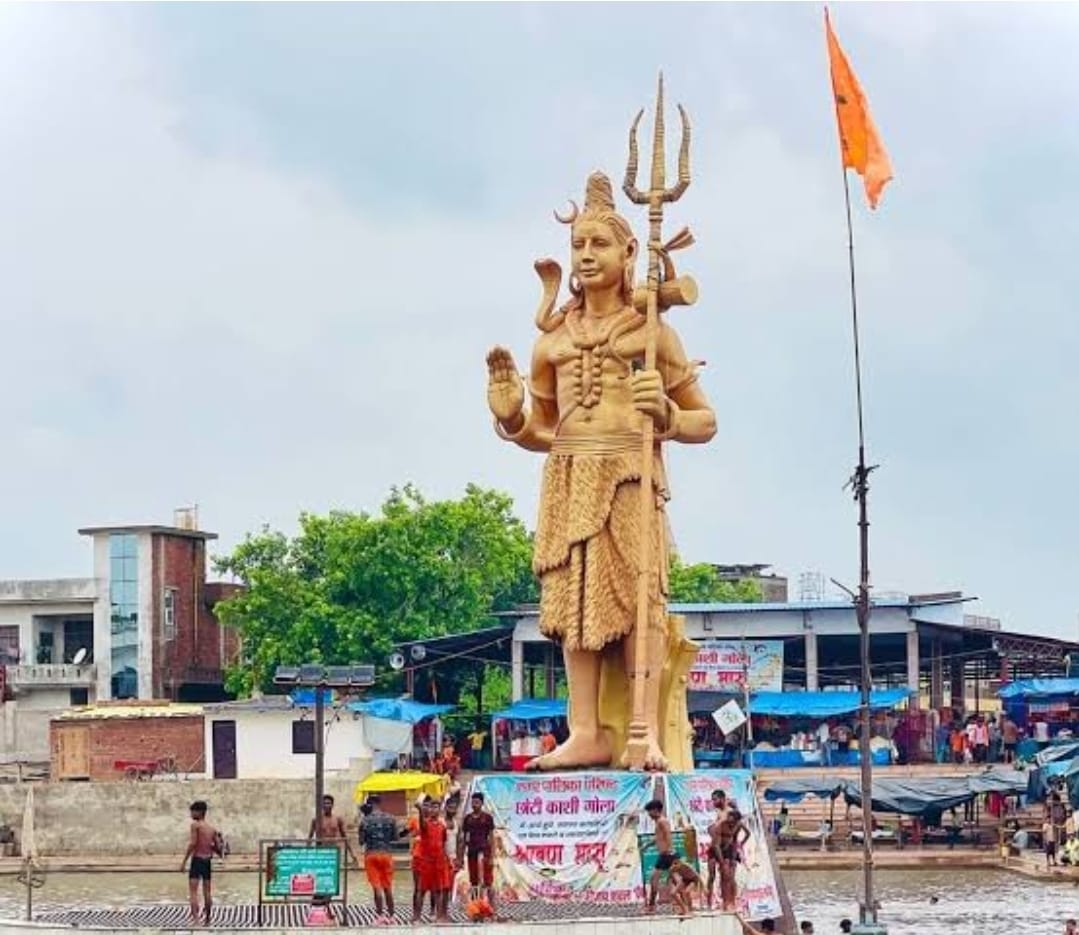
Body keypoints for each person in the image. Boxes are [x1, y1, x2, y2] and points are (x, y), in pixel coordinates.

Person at [486, 169, 717, 772]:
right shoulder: (552, 343)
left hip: (630, 475)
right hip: (569, 475)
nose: (586, 255)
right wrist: (512, 420)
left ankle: (644, 731)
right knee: (571, 607)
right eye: (578, 245)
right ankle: (585, 730)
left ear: (629, 251)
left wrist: (667, 414)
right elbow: (544, 430)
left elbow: (706, 421)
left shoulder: (652, 334)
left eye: (599, 244)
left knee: (641, 598)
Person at [359, 794, 399, 921]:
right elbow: (395, 838)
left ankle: (380, 916)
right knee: (387, 887)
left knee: (376, 887)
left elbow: (361, 841)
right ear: (379, 803)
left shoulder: (365, 820)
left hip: (371, 855)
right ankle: (392, 915)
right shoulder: (391, 818)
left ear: (369, 804)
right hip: (386, 854)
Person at [180, 800, 218, 925]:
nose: (191, 814)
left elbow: (193, 843)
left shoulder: (195, 826)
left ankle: (196, 920)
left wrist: (184, 861)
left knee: (193, 892)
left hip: (197, 860)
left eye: (193, 811)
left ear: (200, 812)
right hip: (207, 861)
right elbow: (216, 847)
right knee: (207, 891)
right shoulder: (211, 829)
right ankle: (207, 920)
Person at [459, 791, 496, 912]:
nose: (475, 804)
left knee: (488, 881)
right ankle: (476, 908)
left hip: (485, 853)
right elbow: (464, 839)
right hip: (472, 853)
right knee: (474, 881)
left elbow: (491, 838)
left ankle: (492, 908)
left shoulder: (488, 818)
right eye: (473, 802)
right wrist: (461, 857)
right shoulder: (467, 819)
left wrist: (492, 856)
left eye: (477, 802)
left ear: (482, 803)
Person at [414, 798, 450, 922]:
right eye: (431, 807)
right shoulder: (425, 824)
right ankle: (417, 917)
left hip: (439, 862)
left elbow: (443, 843)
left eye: (436, 807)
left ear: (439, 810)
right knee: (421, 890)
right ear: (428, 810)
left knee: (439, 890)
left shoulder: (442, 826)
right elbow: (422, 823)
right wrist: (420, 810)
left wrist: (446, 859)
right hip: (426, 862)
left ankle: (439, 916)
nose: (433, 810)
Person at [308, 795, 361, 869]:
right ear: (322, 806)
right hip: (321, 850)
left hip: (334, 850)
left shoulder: (337, 819)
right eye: (324, 803)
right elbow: (310, 837)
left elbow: (344, 836)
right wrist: (306, 852)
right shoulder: (316, 819)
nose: (326, 805)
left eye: (328, 803)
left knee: (334, 871)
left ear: (332, 805)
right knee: (321, 870)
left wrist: (352, 854)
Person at [645, 799, 676, 912]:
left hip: (666, 855)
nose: (649, 814)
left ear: (655, 810)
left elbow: (668, 835)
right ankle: (652, 906)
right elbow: (658, 838)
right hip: (665, 855)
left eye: (649, 811)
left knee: (654, 879)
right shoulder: (659, 822)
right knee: (675, 880)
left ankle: (651, 906)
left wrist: (670, 851)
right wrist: (647, 845)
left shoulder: (662, 821)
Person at [717, 806, 750, 911]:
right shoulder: (722, 824)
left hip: (733, 850)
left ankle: (732, 900)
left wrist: (741, 844)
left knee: (731, 877)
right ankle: (725, 901)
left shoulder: (739, 824)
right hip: (723, 850)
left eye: (733, 822)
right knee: (724, 877)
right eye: (729, 821)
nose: (731, 823)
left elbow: (748, 833)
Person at [705, 789, 729, 908]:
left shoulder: (729, 812)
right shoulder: (718, 812)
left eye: (715, 799)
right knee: (711, 876)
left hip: (723, 848)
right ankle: (709, 903)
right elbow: (711, 829)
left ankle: (726, 902)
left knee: (725, 876)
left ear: (722, 799)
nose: (713, 802)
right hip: (714, 847)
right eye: (712, 800)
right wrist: (713, 830)